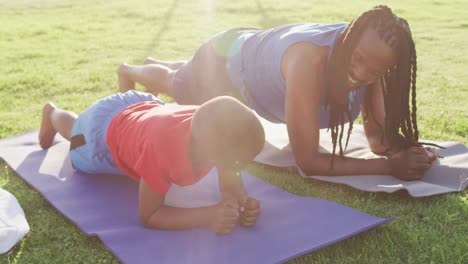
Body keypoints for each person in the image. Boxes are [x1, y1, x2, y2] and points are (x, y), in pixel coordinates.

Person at [117, 5, 438, 180]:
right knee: (178, 83)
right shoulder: (308, 62)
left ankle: (165, 64)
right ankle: (131, 70)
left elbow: (377, 140)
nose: (363, 74)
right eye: (359, 60)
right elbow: (308, 161)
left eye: (377, 71)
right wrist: (387, 168)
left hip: (255, 52)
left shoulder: (372, 62)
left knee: (183, 72)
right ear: (349, 41)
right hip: (225, 59)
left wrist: (405, 151)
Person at [38, 91, 265, 235]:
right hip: (102, 130)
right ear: (211, 152)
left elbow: (230, 184)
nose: (236, 169)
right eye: (235, 163)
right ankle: (52, 114)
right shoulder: (162, 150)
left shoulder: (216, 133)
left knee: (142, 143)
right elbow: (150, 216)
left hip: (145, 108)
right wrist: (209, 215)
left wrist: (240, 204)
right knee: (75, 133)